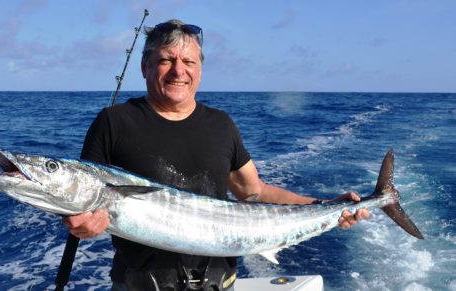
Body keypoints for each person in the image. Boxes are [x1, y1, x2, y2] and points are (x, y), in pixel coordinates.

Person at [63, 19, 370, 291]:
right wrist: (77, 222)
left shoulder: (221, 124)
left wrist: (326, 206)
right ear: (144, 66)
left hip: (218, 284)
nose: (178, 70)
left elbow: (254, 192)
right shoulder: (113, 121)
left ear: (200, 69)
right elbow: (83, 195)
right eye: (166, 60)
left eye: (189, 61)